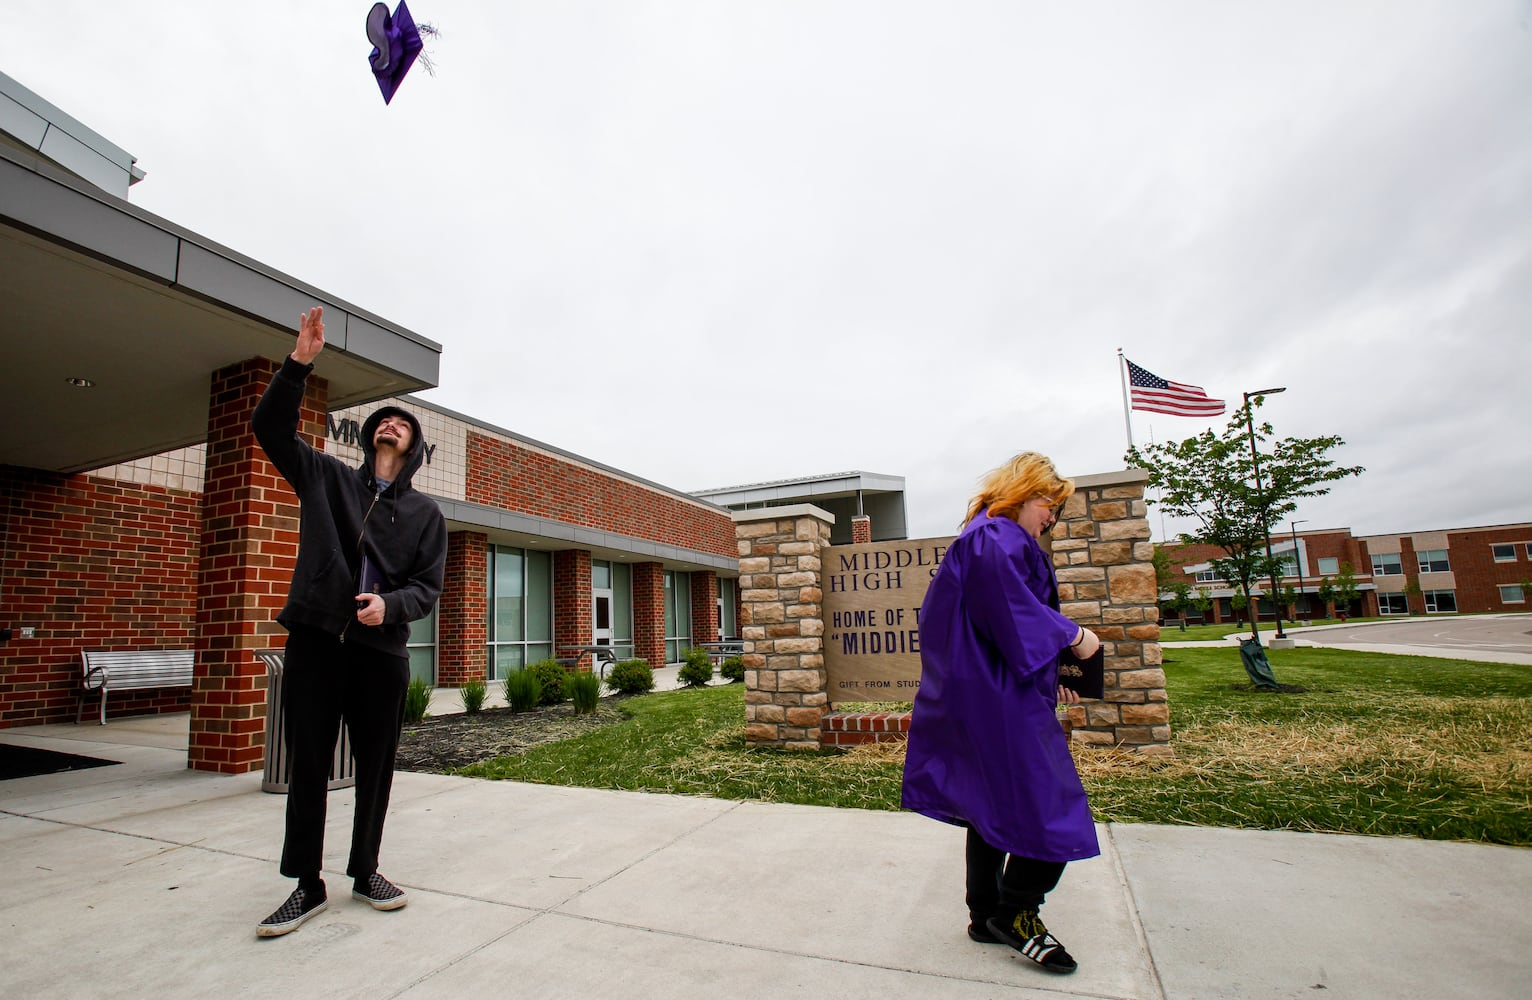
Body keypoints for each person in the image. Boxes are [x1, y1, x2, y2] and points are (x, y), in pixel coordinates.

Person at [252, 306, 448, 938]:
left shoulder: (427, 516)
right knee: (307, 765)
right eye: (384, 420)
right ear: (369, 440)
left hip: (380, 654)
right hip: (317, 642)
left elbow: (428, 588)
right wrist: (299, 364)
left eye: (403, 424)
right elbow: (270, 429)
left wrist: (389, 606)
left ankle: (365, 870)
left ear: (414, 448)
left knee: (377, 766)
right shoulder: (326, 478)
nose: (392, 424)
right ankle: (306, 886)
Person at [901, 451, 1102, 975]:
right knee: (1051, 802)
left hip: (988, 690)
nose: (1051, 517)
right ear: (1023, 491)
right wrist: (1073, 637)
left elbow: (997, 621)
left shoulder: (982, 538)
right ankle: (1017, 910)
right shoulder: (994, 539)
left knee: (987, 801)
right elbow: (1011, 611)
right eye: (1048, 504)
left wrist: (1054, 672)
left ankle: (985, 912)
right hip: (998, 697)